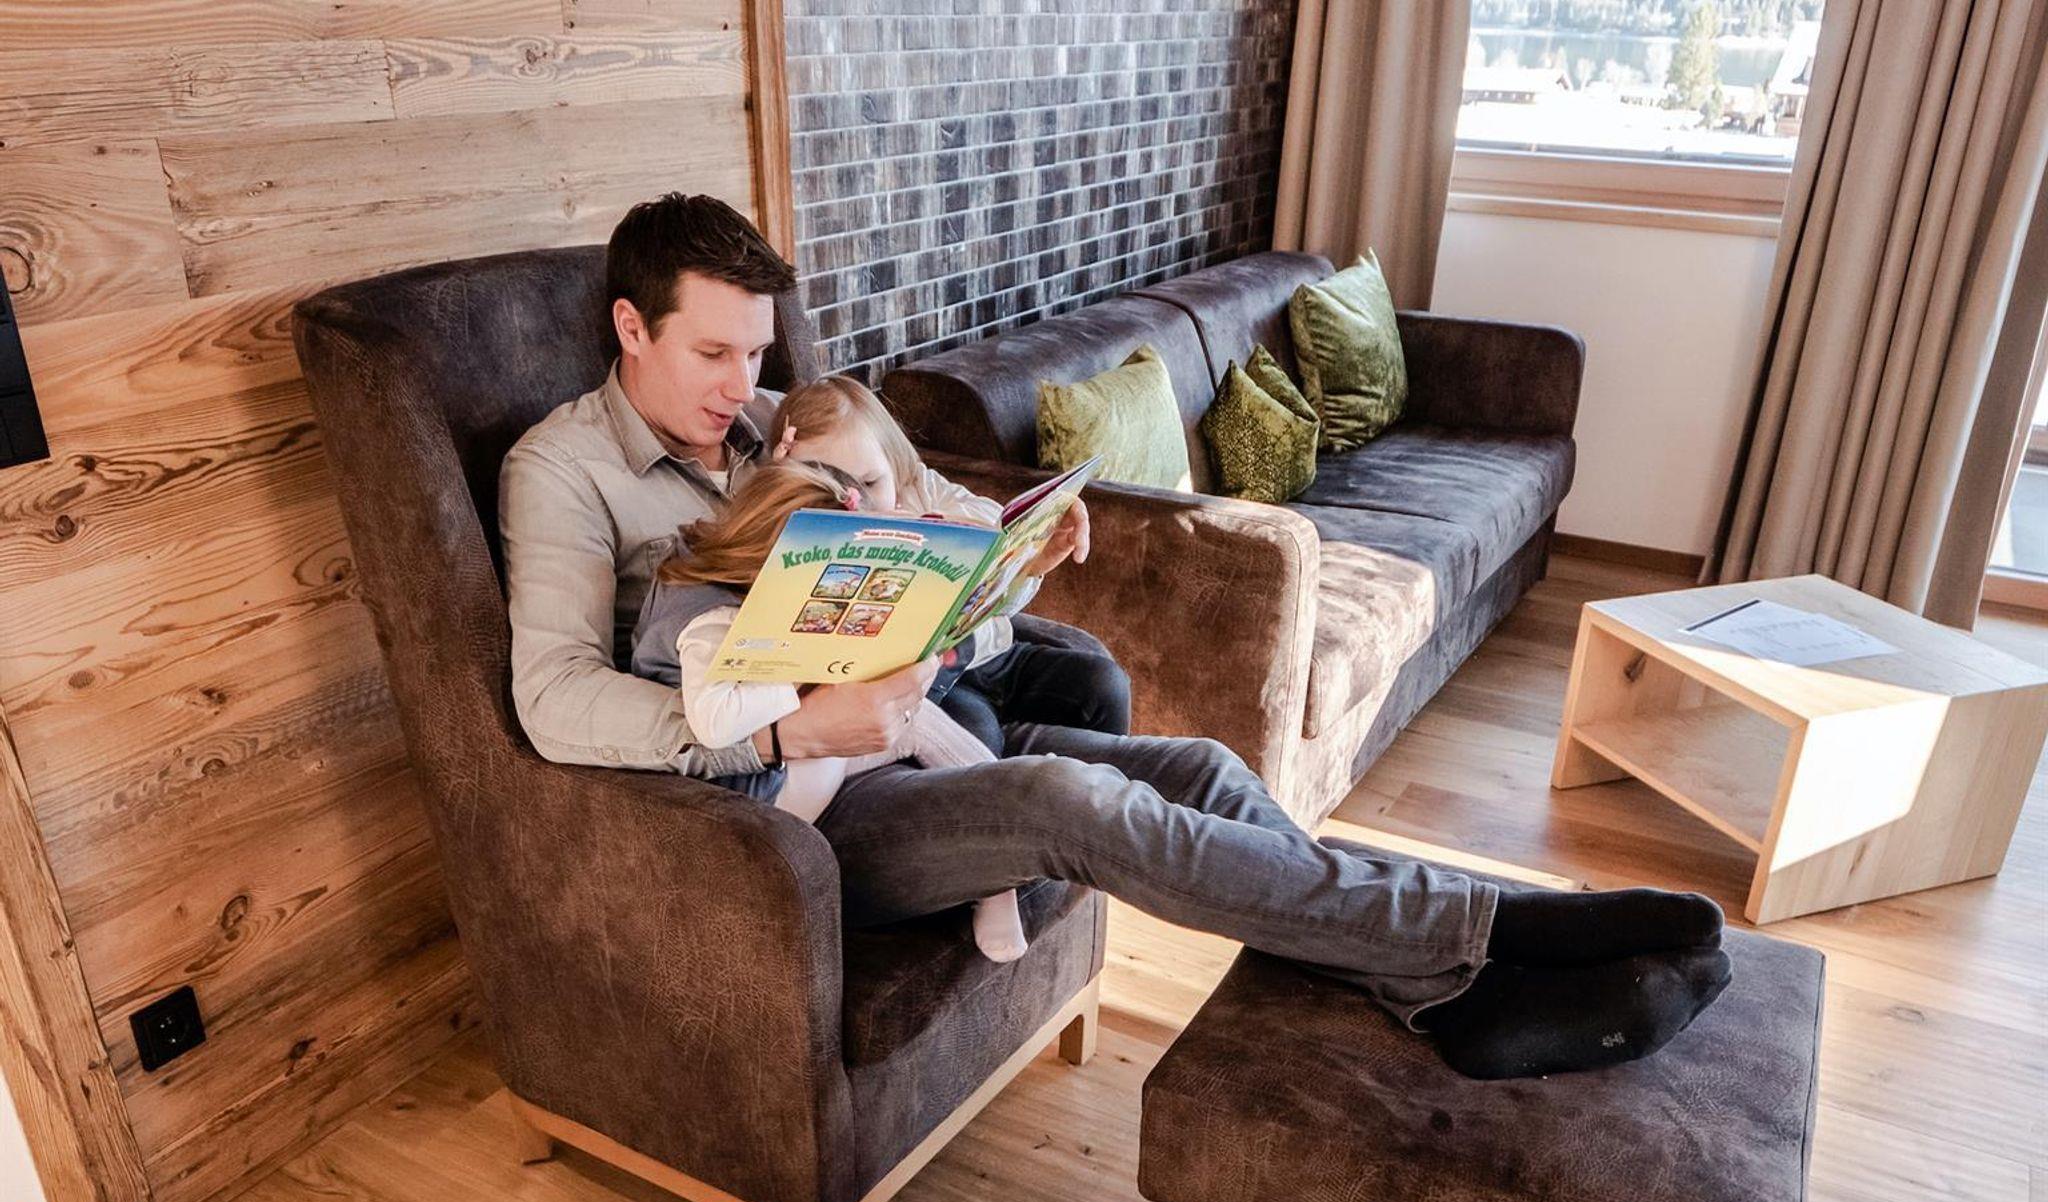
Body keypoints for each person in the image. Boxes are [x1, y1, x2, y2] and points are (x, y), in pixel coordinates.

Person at [500, 192, 1732, 1080]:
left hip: (900, 734)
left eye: (758, 352)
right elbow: (552, 700)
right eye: (713, 353)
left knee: (1199, 766)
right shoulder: (562, 471)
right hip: (778, 813)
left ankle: (1447, 990)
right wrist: (782, 729)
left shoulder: (778, 422)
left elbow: (927, 506)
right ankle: (1493, 930)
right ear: (630, 327)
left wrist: (1006, 539)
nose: (743, 385)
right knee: (1068, 801)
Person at [630, 457, 1033, 963]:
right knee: (906, 722)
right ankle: (1000, 860)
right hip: (748, 793)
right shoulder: (708, 621)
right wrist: (802, 672)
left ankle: (1005, 835)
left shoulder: (748, 588)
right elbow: (715, 721)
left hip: (788, 749)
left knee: (915, 716)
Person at [761, 374, 1133, 751]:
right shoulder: (794, 536)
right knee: (978, 735)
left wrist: (1024, 556)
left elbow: (995, 526)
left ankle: (1111, 780)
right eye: (833, 492)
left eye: (871, 483)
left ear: (895, 465)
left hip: (989, 655)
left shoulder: (919, 487)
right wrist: (781, 493)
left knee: (1104, 685)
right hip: (927, 685)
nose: (861, 505)